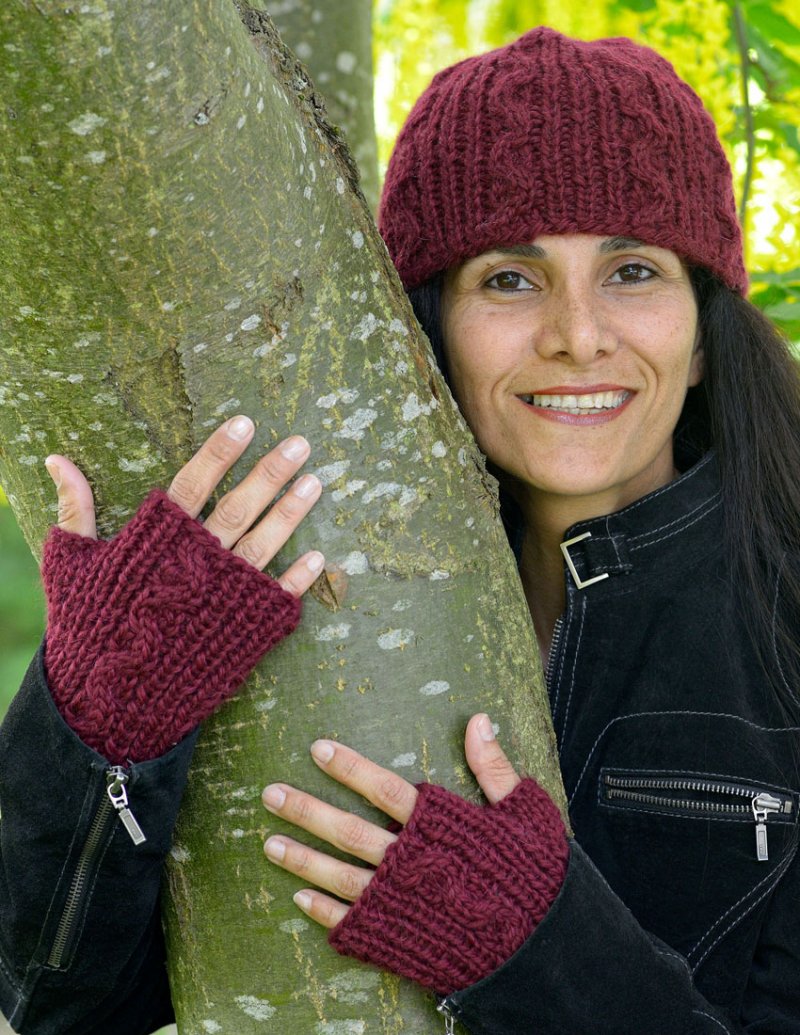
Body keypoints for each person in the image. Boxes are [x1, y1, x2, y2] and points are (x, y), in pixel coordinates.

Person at [1, 24, 799, 1035]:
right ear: (425, 337)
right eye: (509, 279)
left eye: (632, 271)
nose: (577, 334)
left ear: (702, 335)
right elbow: (53, 1000)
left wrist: (543, 957)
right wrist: (96, 722)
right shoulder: (306, 599)